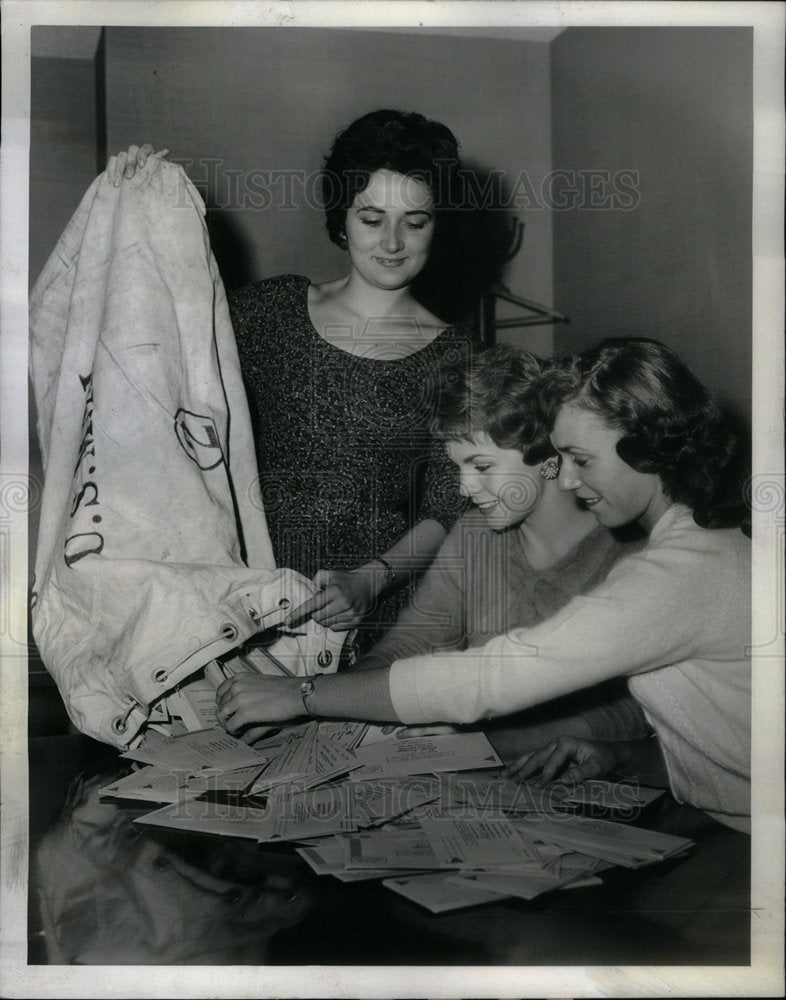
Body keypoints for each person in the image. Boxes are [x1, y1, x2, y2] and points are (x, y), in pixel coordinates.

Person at [216, 337, 751, 833]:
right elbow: (707, 733)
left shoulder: (666, 568)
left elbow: (499, 678)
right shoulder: (689, 541)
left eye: (580, 459)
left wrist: (303, 696)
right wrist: (334, 715)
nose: (566, 476)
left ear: (648, 448)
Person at [109, 110, 476, 655]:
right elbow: (164, 343)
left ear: (437, 223)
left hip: (372, 616)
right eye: (372, 218)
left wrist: (372, 579)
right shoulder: (272, 311)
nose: (393, 242)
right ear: (342, 217)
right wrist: (138, 199)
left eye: (415, 221)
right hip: (244, 599)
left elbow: (450, 502)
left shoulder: (458, 356)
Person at [353, 343, 650, 755]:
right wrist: (318, 700)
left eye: (483, 466)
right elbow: (412, 644)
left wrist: (494, 741)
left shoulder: (631, 552)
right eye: (457, 466)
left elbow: (637, 708)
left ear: (547, 455)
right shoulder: (474, 533)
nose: (464, 487)